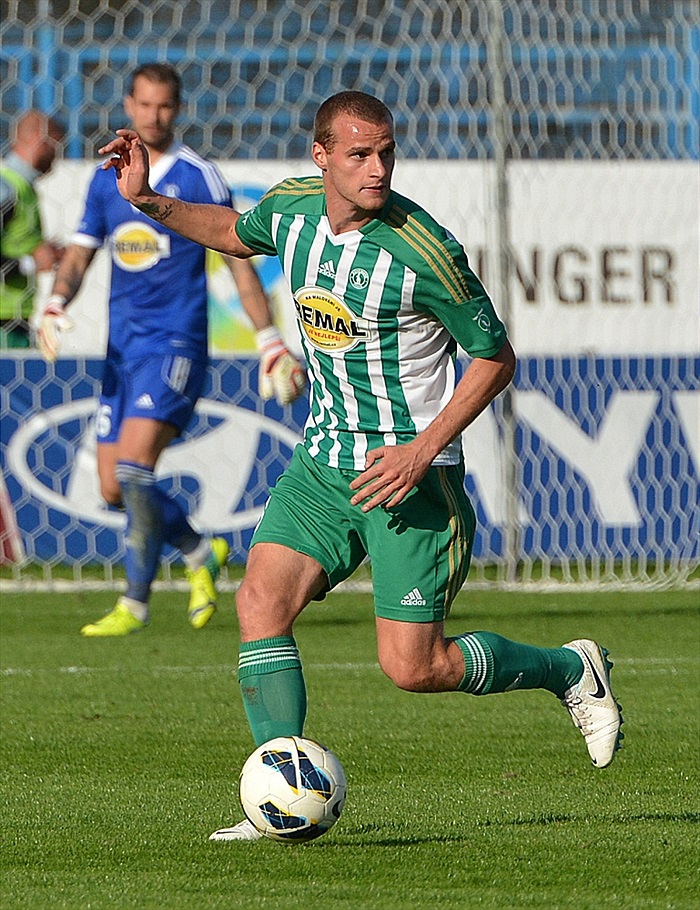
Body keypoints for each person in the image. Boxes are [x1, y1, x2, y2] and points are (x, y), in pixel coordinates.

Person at [99, 90, 624, 840]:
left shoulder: (423, 250)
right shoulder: (291, 211)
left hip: (411, 474)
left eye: (385, 153)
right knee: (259, 603)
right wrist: (148, 197)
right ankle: (282, 789)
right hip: (324, 463)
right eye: (358, 154)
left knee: (414, 667)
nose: (377, 169)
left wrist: (420, 448)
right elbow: (231, 231)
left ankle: (570, 670)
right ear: (322, 157)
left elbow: (494, 357)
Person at [37, 63, 305, 637]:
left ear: (177, 109)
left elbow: (239, 261)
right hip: (121, 354)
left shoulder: (199, 177)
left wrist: (268, 340)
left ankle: (134, 604)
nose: (154, 116)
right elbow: (81, 255)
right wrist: (57, 302)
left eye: (165, 106)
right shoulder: (106, 177)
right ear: (128, 105)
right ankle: (199, 549)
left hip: (175, 344)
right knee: (113, 486)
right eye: (145, 105)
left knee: (135, 467)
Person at [1, 110, 65, 349]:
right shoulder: (6, 189)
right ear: (39, 138)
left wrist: (47, 253)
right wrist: (32, 262)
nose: (56, 157)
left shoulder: (24, 189)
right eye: (55, 147)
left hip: (16, 317)